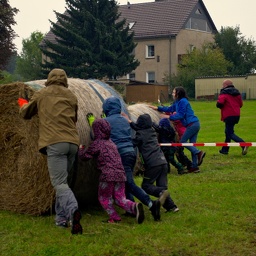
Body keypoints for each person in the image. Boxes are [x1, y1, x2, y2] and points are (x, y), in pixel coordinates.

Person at [18, 68, 83, 235]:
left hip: (55, 142)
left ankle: (72, 209)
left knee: (59, 183)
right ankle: (61, 219)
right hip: (73, 143)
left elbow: (26, 113)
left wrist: (21, 102)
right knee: (63, 182)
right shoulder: (71, 96)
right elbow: (74, 119)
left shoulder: (42, 93)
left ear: (49, 79)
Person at [102, 96, 162, 221]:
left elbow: (97, 135)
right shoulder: (124, 120)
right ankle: (131, 208)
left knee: (129, 183)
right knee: (125, 182)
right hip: (131, 153)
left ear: (106, 108)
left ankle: (151, 204)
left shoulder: (106, 122)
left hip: (120, 155)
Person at [78, 118, 145, 224]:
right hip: (121, 174)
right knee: (120, 198)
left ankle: (114, 218)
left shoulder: (97, 144)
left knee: (104, 197)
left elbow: (85, 156)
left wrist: (81, 149)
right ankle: (134, 206)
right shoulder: (112, 143)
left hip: (107, 175)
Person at [124, 113, 179, 214]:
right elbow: (138, 128)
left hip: (153, 164)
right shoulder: (152, 130)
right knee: (162, 188)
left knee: (146, 186)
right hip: (163, 162)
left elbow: (132, 143)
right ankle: (172, 207)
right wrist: (130, 122)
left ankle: (161, 193)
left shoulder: (140, 135)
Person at [149, 86, 206, 173]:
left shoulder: (183, 101)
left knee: (182, 142)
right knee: (192, 145)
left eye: (173, 92)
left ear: (178, 93)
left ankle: (198, 153)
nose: (172, 94)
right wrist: (157, 108)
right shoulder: (178, 102)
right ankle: (194, 166)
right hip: (193, 124)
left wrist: (168, 116)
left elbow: (180, 115)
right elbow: (170, 108)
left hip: (192, 124)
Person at [216, 79, 248, 155]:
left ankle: (243, 144)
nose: (222, 86)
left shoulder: (224, 93)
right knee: (228, 132)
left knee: (230, 133)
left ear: (226, 85)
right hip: (236, 114)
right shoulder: (237, 93)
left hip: (228, 115)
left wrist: (218, 104)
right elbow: (241, 104)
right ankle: (225, 150)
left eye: (223, 85)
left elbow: (220, 103)